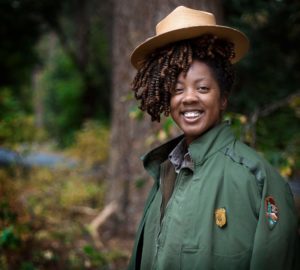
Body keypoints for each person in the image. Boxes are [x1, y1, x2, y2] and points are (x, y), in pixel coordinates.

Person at [127, 6, 300, 270]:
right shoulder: (165, 171)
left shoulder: (258, 179)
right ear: (167, 100)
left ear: (223, 98)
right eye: (177, 89)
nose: (189, 98)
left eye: (203, 88)